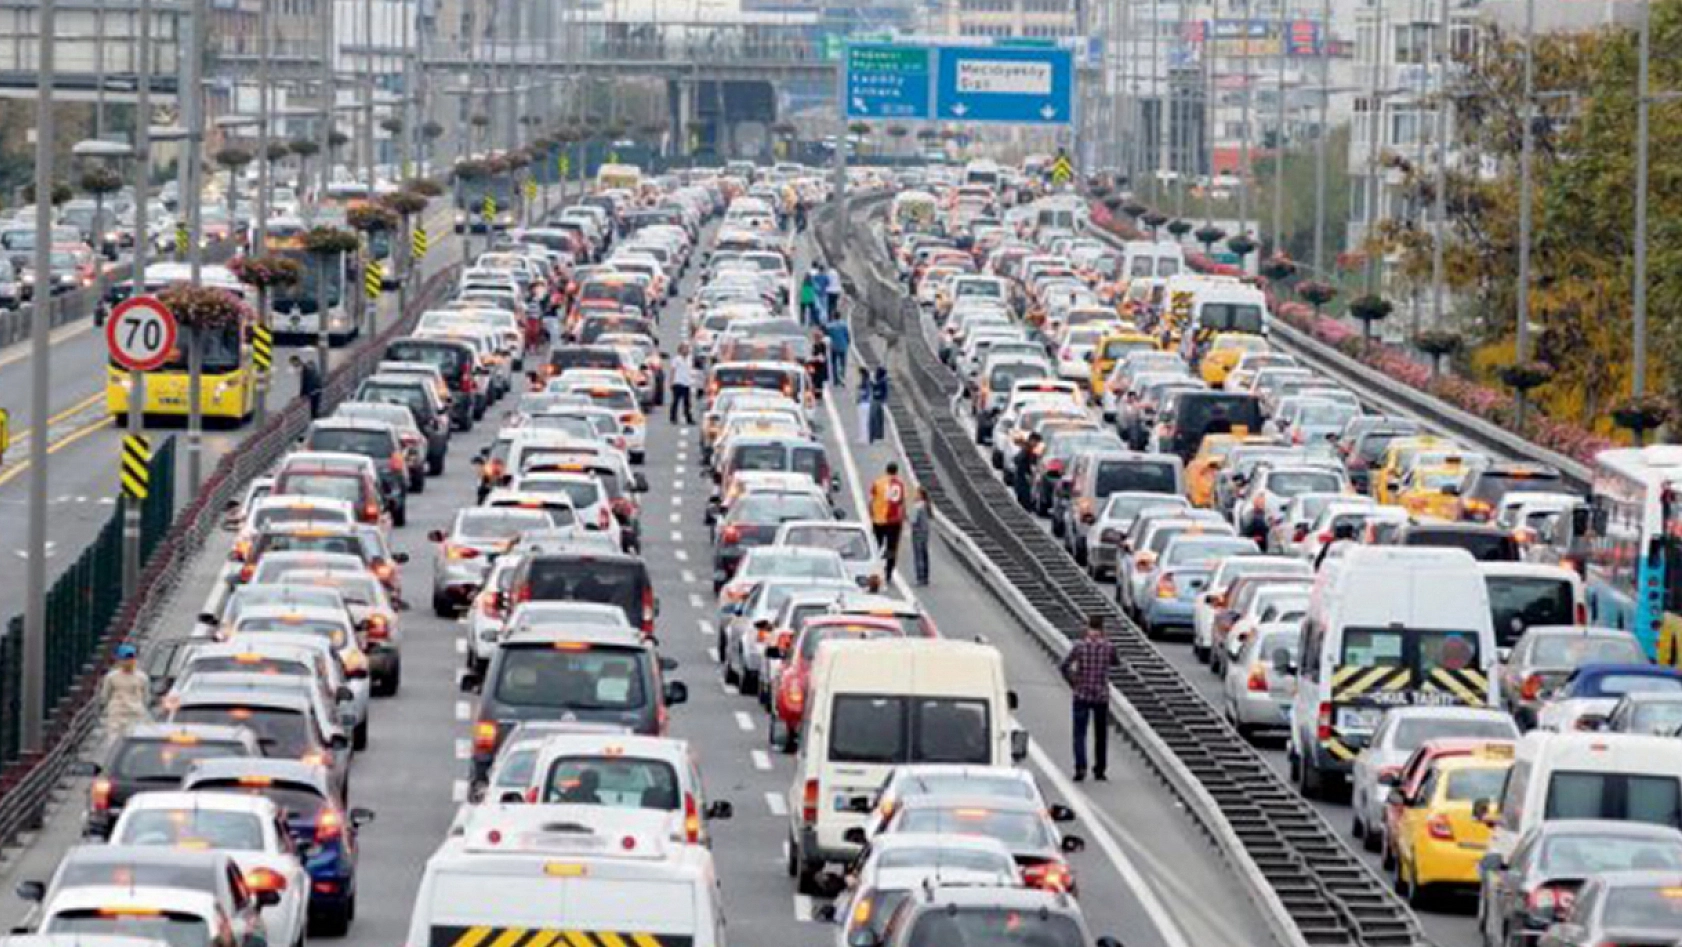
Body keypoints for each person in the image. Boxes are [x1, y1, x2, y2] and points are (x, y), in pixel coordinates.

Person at [1059, 616, 1119, 781]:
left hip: (1081, 694)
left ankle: (1080, 767)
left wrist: (1073, 682)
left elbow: (1064, 666)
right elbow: (1116, 662)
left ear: (1088, 627)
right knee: (1101, 735)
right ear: (1102, 629)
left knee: (1079, 733)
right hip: (1101, 696)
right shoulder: (1109, 647)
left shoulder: (1079, 646)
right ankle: (1099, 769)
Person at [99, 642, 151, 743]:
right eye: (126, 659)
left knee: (134, 740)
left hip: (135, 714)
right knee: (114, 741)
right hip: (117, 714)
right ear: (119, 660)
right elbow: (105, 695)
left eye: (131, 658)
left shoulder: (142, 677)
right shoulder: (111, 677)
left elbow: (146, 697)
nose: (129, 662)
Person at [869, 463, 909, 583]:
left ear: (886, 470)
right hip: (894, 521)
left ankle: (875, 569)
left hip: (879, 519)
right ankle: (889, 573)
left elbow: (871, 500)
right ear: (896, 472)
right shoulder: (900, 485)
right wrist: (903, 518)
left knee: (876, 545)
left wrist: (871, 514)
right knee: (892, 548)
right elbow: (902, 503)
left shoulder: (878, 482)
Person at [669, 343, 697, 425]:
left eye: (687, 349)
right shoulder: (676, 359)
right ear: (680, 350)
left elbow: (691, 370)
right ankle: (673, 418)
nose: (687, 350)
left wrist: (692, 381)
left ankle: (688, 418)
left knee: (687, 402)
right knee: (675, 401)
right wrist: (671, 381)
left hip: (686, 383)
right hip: (678, 382)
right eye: (685, 349)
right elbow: (673, 370)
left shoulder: (689, 359)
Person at [910, 487, 932, 586]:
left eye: (917, 493)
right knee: (924, 554)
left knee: (918, 555)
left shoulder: (917, 506)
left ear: (920, 495)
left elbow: (913, 520)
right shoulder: (926, 506)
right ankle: (926, 577)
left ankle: (920, 577)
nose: (915, 495)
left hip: (917, 533)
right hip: (925, 533)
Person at [290, 353, 323, 419]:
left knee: (313, 410)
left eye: (293, 364)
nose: (293, 366)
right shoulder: (307, 368)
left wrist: (303, 395)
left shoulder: (305, 369)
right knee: (314, 409)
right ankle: (315, 418)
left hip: (313, 391)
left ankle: (314, 420)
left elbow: (306, 383)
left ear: (296, 361)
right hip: (317, 389)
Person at [1015, 432, 1041, 508]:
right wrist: (1027, 473)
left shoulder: (1028, 450)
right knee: (1025, 503)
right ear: (1031, 440)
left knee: (1024, 503)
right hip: (1022, 481)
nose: (1036, 444)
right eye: (1036, 442)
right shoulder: (1026, 450)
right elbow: (1018, 460)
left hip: (1022, 481)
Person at [826, 317, 851, 381]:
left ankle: (835, 378)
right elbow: (847, 335)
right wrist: (848, 342)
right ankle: (842, 376)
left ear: (834, 317)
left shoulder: (830, 326)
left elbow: (827, 334)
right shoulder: (844, 325)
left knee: (833, 363)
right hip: (843, 346)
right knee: (843, 363)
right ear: (840, 317)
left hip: (834, 347)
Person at [868, 367, 889, 444]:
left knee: (875, 419)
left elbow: (877, 387)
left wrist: (872, 383)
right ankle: (875, 435)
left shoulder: (883, 382)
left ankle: (875, 435)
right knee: (876, 419)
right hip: (877, 401)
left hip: (877, 401)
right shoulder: (882, 381)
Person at [808, 330, 829, 401]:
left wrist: (817, 358)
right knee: (814, 380)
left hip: (820, 366)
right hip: (814, 365)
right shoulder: (813, 345)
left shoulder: (822, 345)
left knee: (819, 381)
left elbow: (823, 356)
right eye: (816, 337)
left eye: (818, 337)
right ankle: (815, 393)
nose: (816, 338)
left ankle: (819, 394)